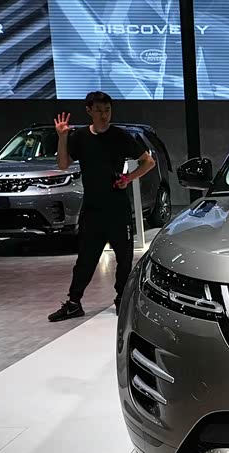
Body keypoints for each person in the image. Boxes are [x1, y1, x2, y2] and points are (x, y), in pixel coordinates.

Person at [48, 91, 156, 322]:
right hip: (92, 209)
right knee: (85, 259)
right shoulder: (79, 136)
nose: (104, 115)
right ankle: (74, 303)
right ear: (89, 111)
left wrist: (128, 178)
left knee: (124, 258)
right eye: (99, 110)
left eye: (107, 110)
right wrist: (62, 137)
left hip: (117, 207)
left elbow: (148, 161)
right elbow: (63, 164)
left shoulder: (120, 136)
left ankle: (122, 299)